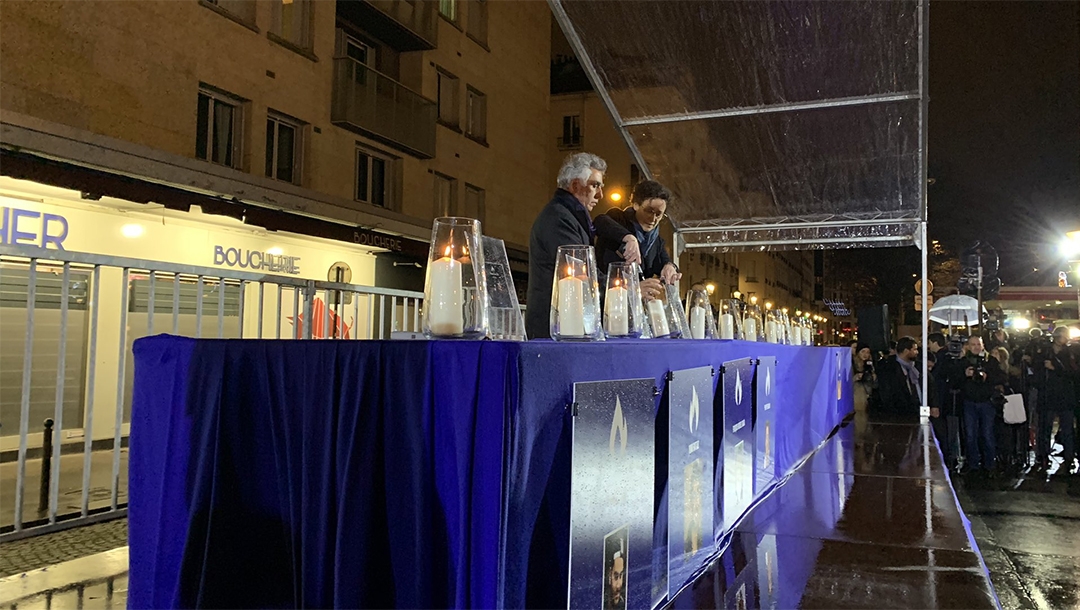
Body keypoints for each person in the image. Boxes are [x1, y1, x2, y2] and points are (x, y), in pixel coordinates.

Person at [526, 153, 607, 339]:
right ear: (575, 186)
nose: (600, 194)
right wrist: (625, 288)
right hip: (554, 330)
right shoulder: (559, 218)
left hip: (566, 325)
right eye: (595, 185)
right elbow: (580, 270)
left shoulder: (569, 216)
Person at [594, 180, 681, 301]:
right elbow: (600, 221)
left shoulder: (656, 241)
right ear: (635, 204)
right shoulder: (618, 218)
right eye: (649, 211)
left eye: (659, 214)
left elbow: (665, 261)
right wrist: (629, 238)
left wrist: (670, 267)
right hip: (606, 296)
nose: (653, 219)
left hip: (632, 302)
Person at [952, 336, 1006, 476]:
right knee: (970, 435)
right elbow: (953, 381)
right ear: (968, 346)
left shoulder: (990, 361)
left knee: (987, 434)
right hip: (969, 402)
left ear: (983, 346)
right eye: (973, 344)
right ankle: (973, 464)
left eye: (978, 344)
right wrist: (965, 374)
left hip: (987, 402)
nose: (976, 347)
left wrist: (988, 377)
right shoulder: (963, 362)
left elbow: (1002, 378)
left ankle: (989, 465)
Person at [1033, 326, 1078, 475]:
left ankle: (1069, 456)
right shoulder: (1046, 351)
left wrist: (1055, 368)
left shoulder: (1070, 352)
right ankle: (1043, 455)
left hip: (1065, 396)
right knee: (1045, 428)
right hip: (1048, 395)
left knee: (1067, 429)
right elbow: (1036, 368)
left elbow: (1073, 372)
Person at [875, 336, 922, 421]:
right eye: (914, 349)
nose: (917, 352)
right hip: (898, 413)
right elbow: (887, 391)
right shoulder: (888, 368)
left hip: (917, 410)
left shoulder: (918, 366)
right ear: (906, 351)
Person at [852, 343, 877, 412]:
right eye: (863, 352)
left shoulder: (870, 366)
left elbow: (875, 385)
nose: (865, 355)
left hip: (868, 396)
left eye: (868, 352)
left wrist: (874, 377)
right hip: (857, 397)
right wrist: (854, 378)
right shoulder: (852, 365)